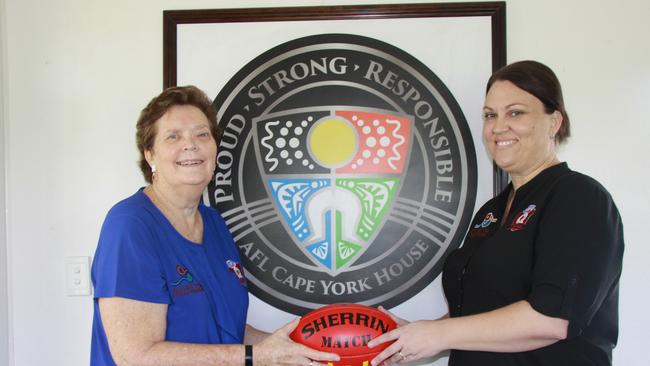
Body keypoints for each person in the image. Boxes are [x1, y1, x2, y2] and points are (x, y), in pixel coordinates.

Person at [368, 60, 624, 366]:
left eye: (515, 112)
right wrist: (419, 334)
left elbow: (552, 320)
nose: (498, 127)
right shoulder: (491, 212)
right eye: (490, 115)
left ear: (554, 122)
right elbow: (481, 311)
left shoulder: (579, 197)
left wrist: (439, 334)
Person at [90, 85, 340, 366]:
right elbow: (137, 356)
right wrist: (256, 357)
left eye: (202, 134)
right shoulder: (130, 226)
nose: (191, 144)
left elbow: (224, 333)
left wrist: (296, 349)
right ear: (150, 155)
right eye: (173, 136)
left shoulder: (213, 223)